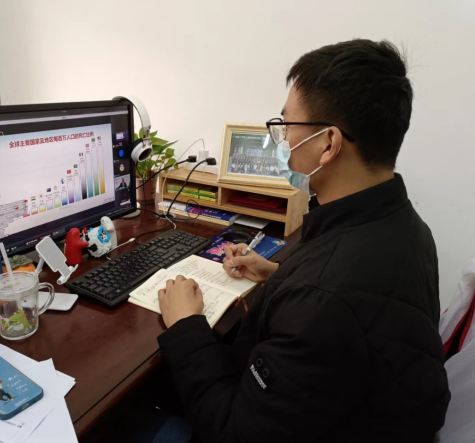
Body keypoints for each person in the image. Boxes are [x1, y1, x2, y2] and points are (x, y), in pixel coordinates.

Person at [156, 39, 450, 442]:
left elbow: (235, 432)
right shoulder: (404, 224)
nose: (281, 140)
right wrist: (278, 275)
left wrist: (186, 325)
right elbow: (361, 304)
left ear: (329, 143)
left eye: (287, 126)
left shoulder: (323, 301)